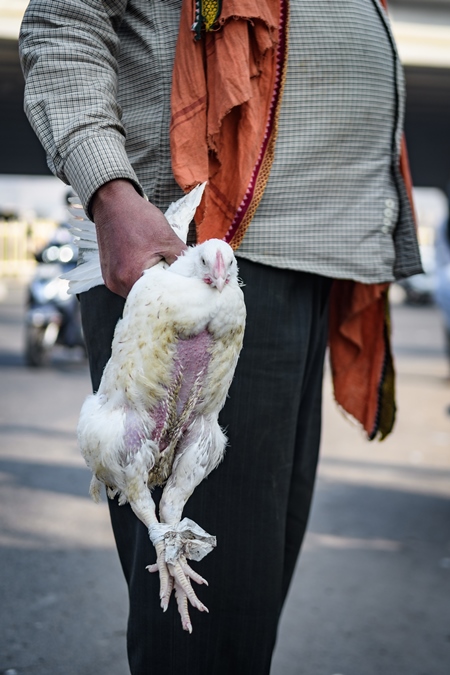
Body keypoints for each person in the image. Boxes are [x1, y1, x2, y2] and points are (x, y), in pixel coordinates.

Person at [19, 1, 422, 673]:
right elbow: (65, 18)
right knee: (205, 639)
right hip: (195, 269)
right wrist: (110, 191)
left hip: (297, 271)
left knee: (239, 616)